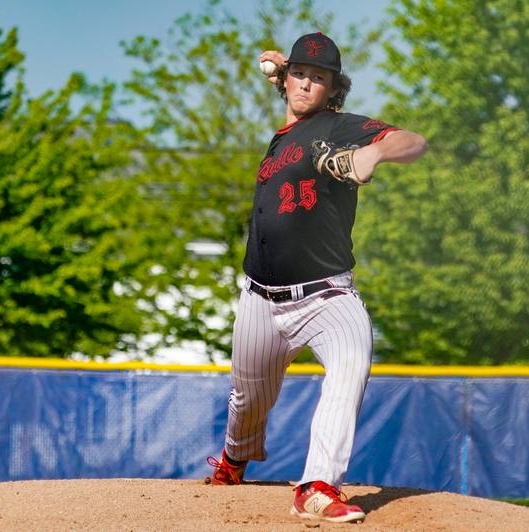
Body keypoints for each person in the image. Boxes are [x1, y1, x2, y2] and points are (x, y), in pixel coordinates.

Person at [207, 32, 427, 524]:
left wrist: (376, 153)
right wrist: (284, 66)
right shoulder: (286, 131)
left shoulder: (340, 126)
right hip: (261, 300)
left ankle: (318, 485)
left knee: (352, 362)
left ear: (333, 89)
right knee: (247, 402)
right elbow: (293, 85)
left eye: (320, 78)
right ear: (286, 81)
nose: (308, 85)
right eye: (300, 75)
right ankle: (232, 462)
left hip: (327, 296)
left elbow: (414, 141)